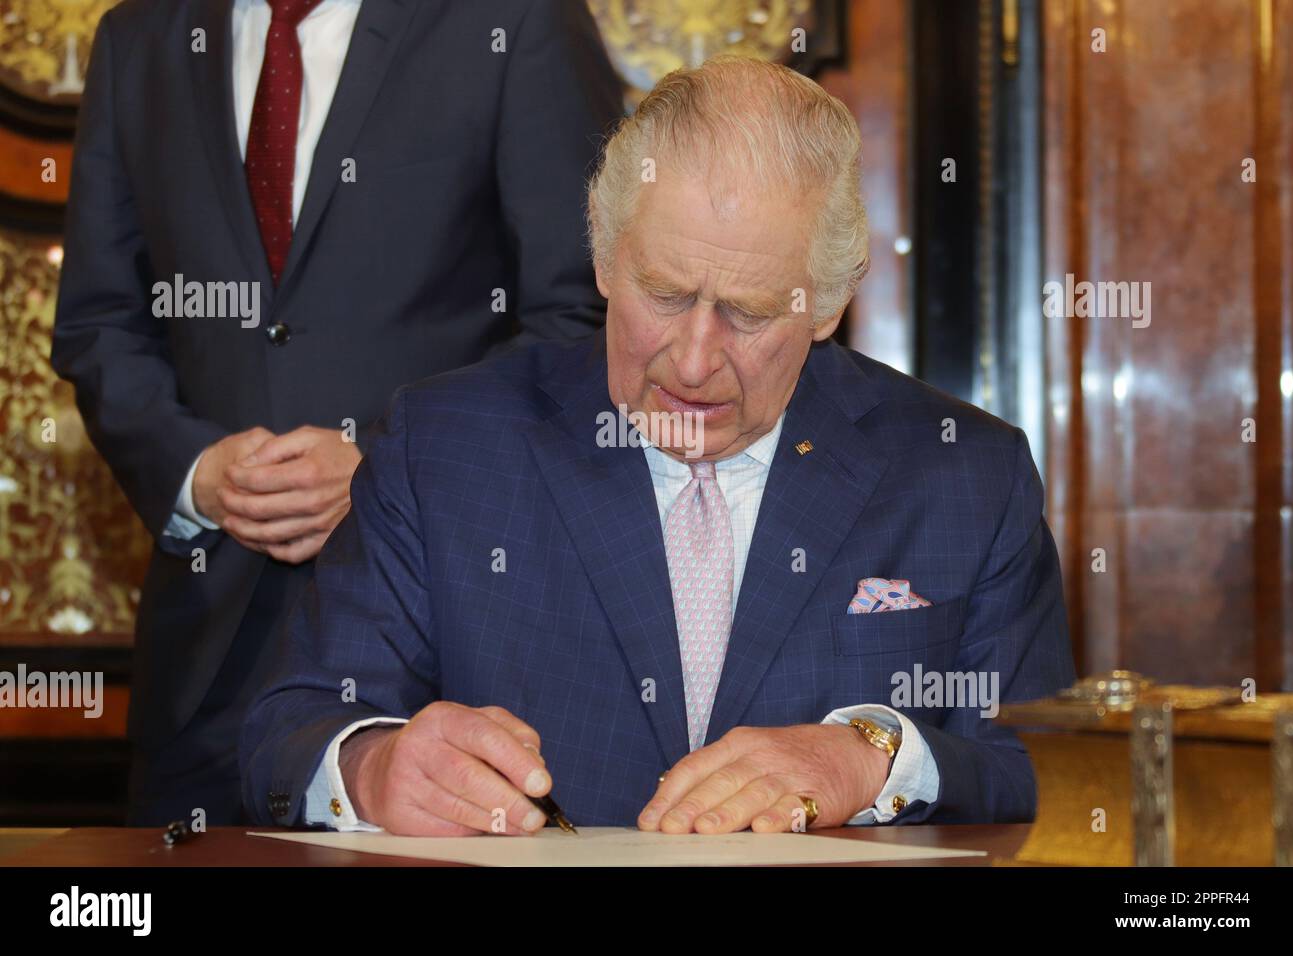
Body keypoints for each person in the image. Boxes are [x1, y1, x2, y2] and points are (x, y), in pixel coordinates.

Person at [241, 55, 1074, 834]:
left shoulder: (962, 472)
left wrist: (874, 757)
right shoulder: (447, 447)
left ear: (826, 303)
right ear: (604, 256)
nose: (695, 359)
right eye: (665, 295)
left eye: (748, 313)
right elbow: (289, 728)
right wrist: (375, 764)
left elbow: (1046, 771)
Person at [51, 0, 623, 825]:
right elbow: (99, 322)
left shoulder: (515, 20)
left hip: (449, 669)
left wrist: (389, 465)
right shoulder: (139, 35)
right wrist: (198, 473)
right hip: (205, 669)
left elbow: (584, 316)